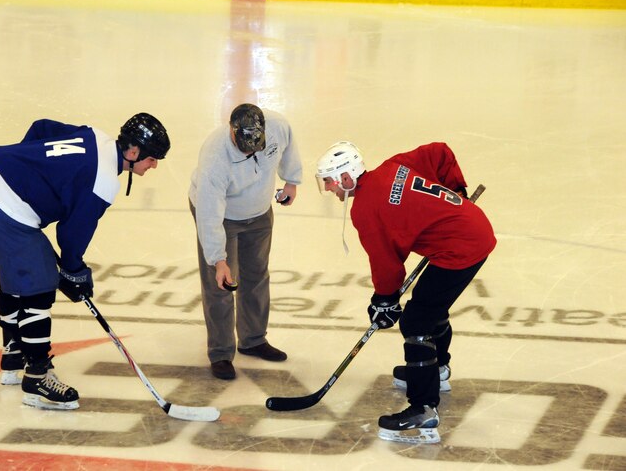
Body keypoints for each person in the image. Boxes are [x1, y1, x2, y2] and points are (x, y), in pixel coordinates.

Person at [0, 114, 170, 410]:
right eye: (153, 159)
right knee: (39, 285)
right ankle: (37, 378)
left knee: (18, 276)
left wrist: (29, 170)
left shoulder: (96, 137)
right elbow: (73, 234)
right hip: (7, 209)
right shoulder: (101, 182)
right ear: (132, 152)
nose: (154, 166)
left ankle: (14, 352)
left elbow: (41, 127)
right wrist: (74, 271)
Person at [315, 141, 496, 444]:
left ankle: (424, 409)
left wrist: (383, 299)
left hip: (461, 248)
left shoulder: (365, 208)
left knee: (416, 322)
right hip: (470, 230)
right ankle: (437, 370)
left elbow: (385, 262)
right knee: (429, 307)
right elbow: (440, 152)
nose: (329, 189)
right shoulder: (391, 167)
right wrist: (456, 188)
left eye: (330, 182)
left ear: (346, 178)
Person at [189, 103, 303, 380]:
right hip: (222, 216)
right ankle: (221, 352)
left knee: (256, 274)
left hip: (260, 212)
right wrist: (218, 259)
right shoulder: (214, 160)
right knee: (221, 285)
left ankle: (253, 339)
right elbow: (209, 215)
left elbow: (288, 145)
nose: (252, 150)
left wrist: (291, 180)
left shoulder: (276, 126)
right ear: (232, 131)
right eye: (245, 147)